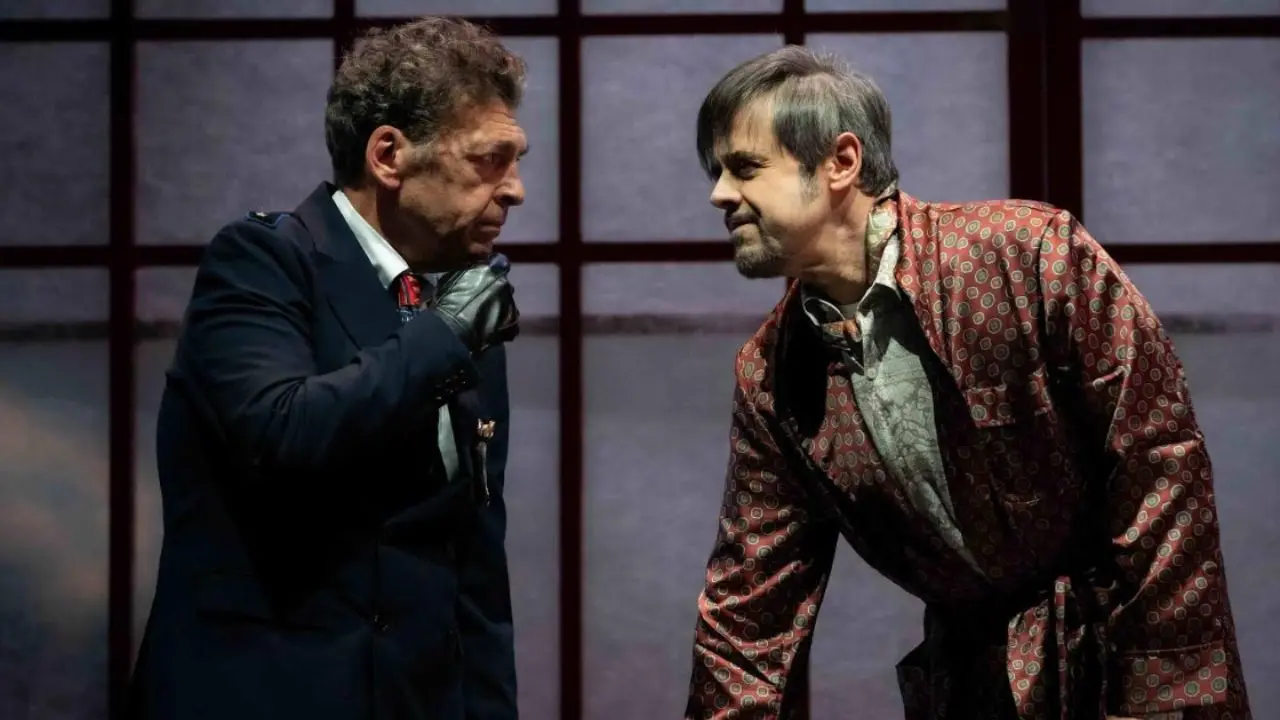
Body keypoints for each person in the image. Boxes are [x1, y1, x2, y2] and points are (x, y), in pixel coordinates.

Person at [682, 46, 1250, 720]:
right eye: (717, 173)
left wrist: (1160, 695)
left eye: (745, 167)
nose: (720, 194)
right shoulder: (772, 373)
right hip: (972, 679)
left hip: (1126, 647)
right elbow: (751, 595)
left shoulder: (1027, 254)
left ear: (841, 161)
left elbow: (1159, 466)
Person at [129, 17, 528, 720]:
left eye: (516, 160)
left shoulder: (459, 306)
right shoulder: (263, 261)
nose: (515, 189)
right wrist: (445, 334)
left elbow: (475, 568)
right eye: (489, 160)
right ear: (388, 156)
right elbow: (282, 431)